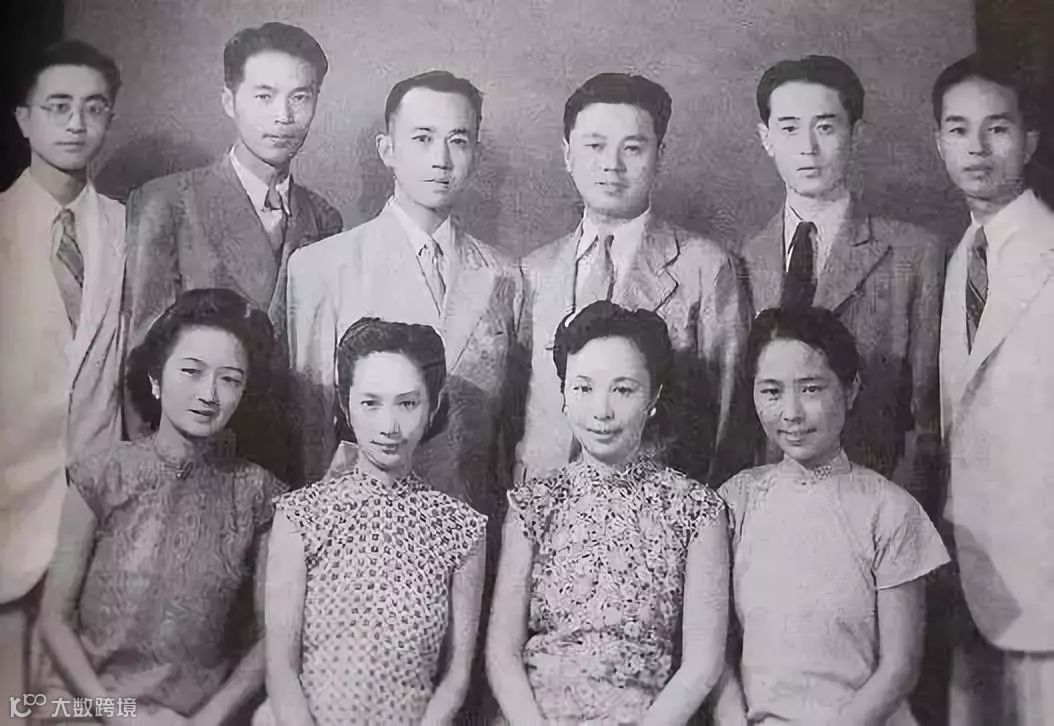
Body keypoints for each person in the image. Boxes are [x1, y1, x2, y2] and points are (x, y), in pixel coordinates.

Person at [35, 289, 283, 724]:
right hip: (85, 705)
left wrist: (209, 718)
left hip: (192, 716)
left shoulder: (260, 495)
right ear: (155, 378)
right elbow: (54, 619)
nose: (209, 394)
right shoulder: (101, 475)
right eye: (192, 371)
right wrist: (114, 714)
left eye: (229, 379)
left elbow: (272, 638)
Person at [287, 70, 524, 507]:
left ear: (475, 153)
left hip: (472, 519)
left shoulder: (505, 273)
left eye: (458, 141)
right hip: (360, 518)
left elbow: (505, 434)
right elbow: (311, 431)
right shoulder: (322, 267)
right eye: (422, 139)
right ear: (387, 150)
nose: (441, 159)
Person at [488, 301, 729, 725]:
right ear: (564, 394)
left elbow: (702, 666)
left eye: (623, 390)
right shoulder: (532, 504)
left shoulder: (697, 510)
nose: (601, 411)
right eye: (583, 388)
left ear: (654, 396)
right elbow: (502, 655)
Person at [123, 22, 343, 479]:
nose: (283, 116)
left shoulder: (325, 219)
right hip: (195, 462)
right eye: (264, 96)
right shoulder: (169, 203)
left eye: (300, 97)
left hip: (294, 466)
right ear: (230, 101)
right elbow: (142, 357)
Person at [714, 306, 949, 726]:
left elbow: (899, 669)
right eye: (771, 392)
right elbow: (716, 652)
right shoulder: (735, 501)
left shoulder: (890, 510)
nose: (791, 413)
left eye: (811, 389)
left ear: (850, 389)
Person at [517, 72, 752, 487]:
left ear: (660, 155)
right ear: (567, 154)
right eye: (595, 146)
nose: (612, 164)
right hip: (541, 505)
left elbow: (731, 422)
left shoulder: (706, 268)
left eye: (633, 148)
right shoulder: (533, 271)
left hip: (658, 508)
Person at [739, 55, 944, 510]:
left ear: (856, 133)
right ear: (766, 138)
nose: (808, 148)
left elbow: (926, 419)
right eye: (789, 128)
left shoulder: (913, 253)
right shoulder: (745, 258)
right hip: (771, 509)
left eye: (826, 127)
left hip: (879, 503)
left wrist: (897, 519)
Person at [265, 318, 486, 725]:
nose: (389, 426)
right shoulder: (300, 516)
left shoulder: (462, 529)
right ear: (346, 404)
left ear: (434, 406)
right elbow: (281, 670)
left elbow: (456, 678)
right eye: (370, 403)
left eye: (408, 403)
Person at [0, 39, 125, 705]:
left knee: (70, 708)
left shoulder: (131, 227)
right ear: (24, 119)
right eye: (58, 106)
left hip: (95, 520)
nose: (77, 123)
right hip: (6, 507)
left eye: (94, 107)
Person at [933, 54, 1054, 725]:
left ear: (1029, 140)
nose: (976, 147)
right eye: (958, 129)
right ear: (939, 143)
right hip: (973, 566)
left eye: (997, 128)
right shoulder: (962, 256)